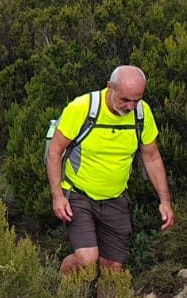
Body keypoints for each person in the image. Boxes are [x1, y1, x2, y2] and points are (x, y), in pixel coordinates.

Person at [46, 65, 175, 277]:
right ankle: (64, 292)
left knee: (113, 267)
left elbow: (152, 157)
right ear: (110, 88)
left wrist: (165, 201)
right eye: (125, 100)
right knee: (87, 260)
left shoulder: (142, 114)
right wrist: (57, 196)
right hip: (78, 194)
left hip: (116, 198)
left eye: (137, 100)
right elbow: (55, 151)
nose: (131, 106)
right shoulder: (82, 108)